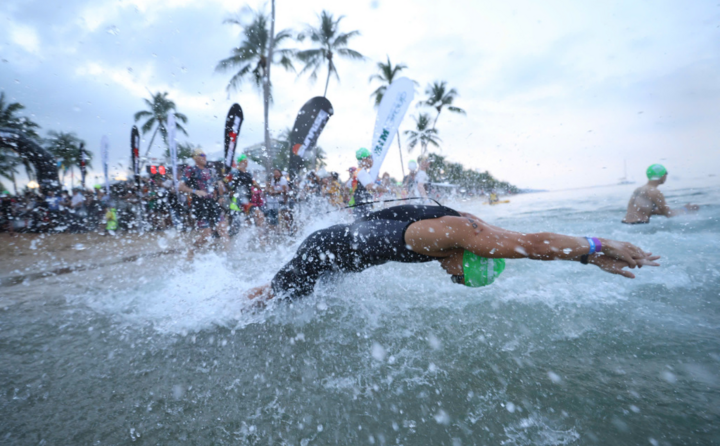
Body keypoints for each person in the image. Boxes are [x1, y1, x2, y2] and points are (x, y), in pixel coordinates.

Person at [245, 204, 660, 301]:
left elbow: (524, 237)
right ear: (470, 256)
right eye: (460, 276)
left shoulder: (467, 229)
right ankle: (230, 311)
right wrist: (601, 244)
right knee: (274, 300)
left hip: (339, 253)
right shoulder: (443, 237)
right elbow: (532, 246)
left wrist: (585, 259)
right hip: (322, 252)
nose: (451, 276)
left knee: (304, 301)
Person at [178, 149, 230, 258]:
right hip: (199, 204)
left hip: (211, 202)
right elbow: (180, 187)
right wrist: (195, 191)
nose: (205, 157)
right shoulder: (191, 169)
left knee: (223, 229)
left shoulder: (209, 170)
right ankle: (191, 251)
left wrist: (220, 195)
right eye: (202, 155)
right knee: (206, 236)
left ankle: (227, 257)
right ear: (195, 157)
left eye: (205, 155)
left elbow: (216, 184)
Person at [623, 164, 700, 224]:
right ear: (661, 175)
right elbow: (669, 214)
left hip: (625, 224)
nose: (666, 176)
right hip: (640, 225)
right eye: (666, 173)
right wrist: (685, 209)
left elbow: (643, 210)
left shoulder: (639, 189)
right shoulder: (655, 192)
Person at [346, 148, 388, 216]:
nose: (372, 160)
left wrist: (347, 197)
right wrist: (385, 190)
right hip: (363, 210)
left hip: (358, 209)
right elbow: (369, 187)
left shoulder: (357, 173)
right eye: (370, 157)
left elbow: (347, 187)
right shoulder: (362, 173)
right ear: (364, 159)